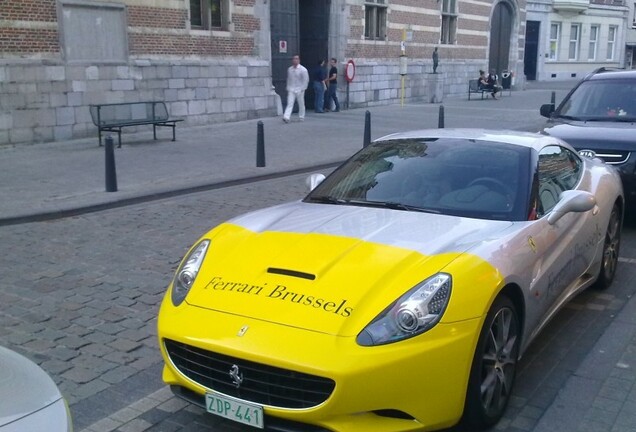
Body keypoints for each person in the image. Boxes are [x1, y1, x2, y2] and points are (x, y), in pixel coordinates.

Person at [283, 55, 309, 123]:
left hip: (300, 89)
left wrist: (303, 89)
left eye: (296, 59)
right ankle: (286, 117)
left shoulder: (303, 70)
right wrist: (288, 87)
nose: (295, 60)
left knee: (301, 104)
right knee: (290, 103)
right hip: (291, 89)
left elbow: (305, 80)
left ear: (299, 60)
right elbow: (289, 79)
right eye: (294, 59)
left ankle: (301, 116)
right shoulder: (290, 69)